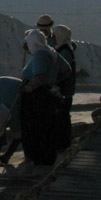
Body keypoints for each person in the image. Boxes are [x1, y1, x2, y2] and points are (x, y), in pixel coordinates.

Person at [20, 29, 61, 165]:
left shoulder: (39, 56)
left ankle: (36, 157)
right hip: (48, 95)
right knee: (45, 129)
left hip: (37, 98)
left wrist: (27, 88)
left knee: (35, 128)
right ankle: (44, 157)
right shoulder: (50, 52)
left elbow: (40, 77)